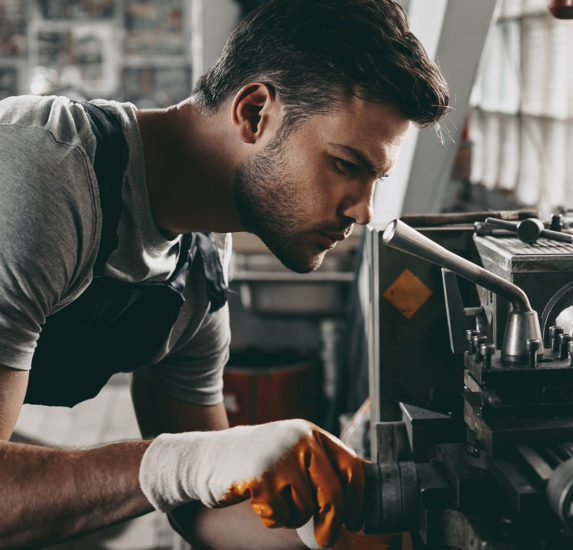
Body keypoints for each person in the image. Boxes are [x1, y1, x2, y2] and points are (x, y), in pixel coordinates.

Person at [0, 0, 449, 548]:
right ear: (255, 113)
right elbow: (185, 469)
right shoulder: (39, 175)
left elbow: (203, 506)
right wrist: (190, 461)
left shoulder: (197, 270)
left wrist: (332, 542)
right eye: (347, 165)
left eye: (376, 178)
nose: (364, 210)